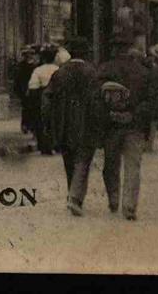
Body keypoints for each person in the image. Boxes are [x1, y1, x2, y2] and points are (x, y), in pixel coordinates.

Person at [97, 33, 154, 221]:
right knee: (133, 166)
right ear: (130, 50)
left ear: (113, 49)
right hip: (134, 125)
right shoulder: (144, 72)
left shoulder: (104, 69)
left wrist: (108, 115)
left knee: (111, 165)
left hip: (111, 126)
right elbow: (149, 101)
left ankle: (114, 199)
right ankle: (129, 207)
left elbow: (96, 100)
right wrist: (133, 115)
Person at [44, 49, 101, 216]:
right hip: (86, 124)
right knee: (83, 161)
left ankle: (72, 194)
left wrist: (48, 124)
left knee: (69, 162)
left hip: (64, 125)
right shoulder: (92, 72)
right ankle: (76, 199)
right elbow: (97, 102)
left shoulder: (59, 73)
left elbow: (46, 100)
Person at [27, 45, 63, 154]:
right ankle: (57, 145)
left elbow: (33, 86)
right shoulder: (59, 70)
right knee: (57, 121)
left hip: (42, 96)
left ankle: (44, 146)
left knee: (42, 121)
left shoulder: (38, 70)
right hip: (58, 97)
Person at [12, 44, 40, 133]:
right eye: (26, 54)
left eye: (30, 54)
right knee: (26, 107)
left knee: (32, 108)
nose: (28, 56)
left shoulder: (35, 65)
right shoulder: (21, 65)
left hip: (32, 87)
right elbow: (18, 78)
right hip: (24, 88)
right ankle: (25, 125)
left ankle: (30, 125)